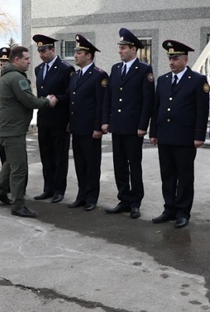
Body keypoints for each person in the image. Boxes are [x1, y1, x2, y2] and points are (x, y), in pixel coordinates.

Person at [149, 40, 209, 229]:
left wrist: (199, 135)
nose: (171, 62)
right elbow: (156, 107)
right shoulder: (163, 80)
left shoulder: (197, 80)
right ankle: (169, 209)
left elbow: (202, 110)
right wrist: (153, 131)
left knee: (184, 176)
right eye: (170, 58)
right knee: (167, 175)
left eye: (175, 58)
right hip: (165, 135)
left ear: (185, 60)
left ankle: (183, 211)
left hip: (185, 137)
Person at [0, 46, 55, 218]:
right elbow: (29, 101)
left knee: (11, 162)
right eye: (26, 58)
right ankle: (18, 205)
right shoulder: (17, 78)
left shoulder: (5, 76)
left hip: (6, 129)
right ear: (17, 60)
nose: (29, 61)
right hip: (13, 131)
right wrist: (48, 102)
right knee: (19, 168)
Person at [102, 28, 155, 219]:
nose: (120, 51)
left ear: (133, 49)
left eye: (123, 48)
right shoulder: (116, 69)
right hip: (117, 126)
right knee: (119, 164)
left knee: (134, 165)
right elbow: (109, 97)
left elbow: (147, 100)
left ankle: (135, 202)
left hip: (133, 128)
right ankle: (123, 199)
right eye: (120, 47)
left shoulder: (144, 70)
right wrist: (105, 120)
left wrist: (143, 126)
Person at [32, 34, 74, 203]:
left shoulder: (65, 68)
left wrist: (58, 98)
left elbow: (70, 94)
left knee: (59, 157)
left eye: (44, 51)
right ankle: (48, 188)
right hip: (44, 119)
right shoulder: (39, 69)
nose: (41, 54)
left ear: (52, 49)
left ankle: (59, 190)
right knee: (46, 155)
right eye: (39, 51)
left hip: (59, 119)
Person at [68, 35, 108, 211]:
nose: (75, 55)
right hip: (77, 127)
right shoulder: (75, 75)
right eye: (75, 52)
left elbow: (101, 103)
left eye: (79, 53)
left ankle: (92, 197)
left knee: (92, 164)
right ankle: (81, 195)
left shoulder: (99, 75)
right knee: (80, 164)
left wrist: (98, 127)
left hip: (91, 129)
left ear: (89, 56)